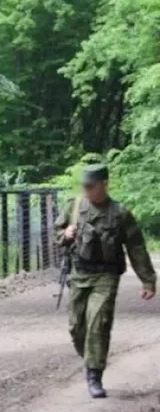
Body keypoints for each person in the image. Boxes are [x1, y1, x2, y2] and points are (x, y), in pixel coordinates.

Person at [55, 163, 155, 399]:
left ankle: (94, 375)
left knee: (98, 323)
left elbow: (136, 248)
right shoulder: (75, 206)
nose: (87, 190)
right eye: (84, 186)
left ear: (104, 185)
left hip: (106, 275)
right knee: (77, 326)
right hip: (79, 274)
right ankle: (91, 356)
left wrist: (148, 280)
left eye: (91, 186)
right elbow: (58, 233)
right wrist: (65, 235)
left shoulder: (119, 213)